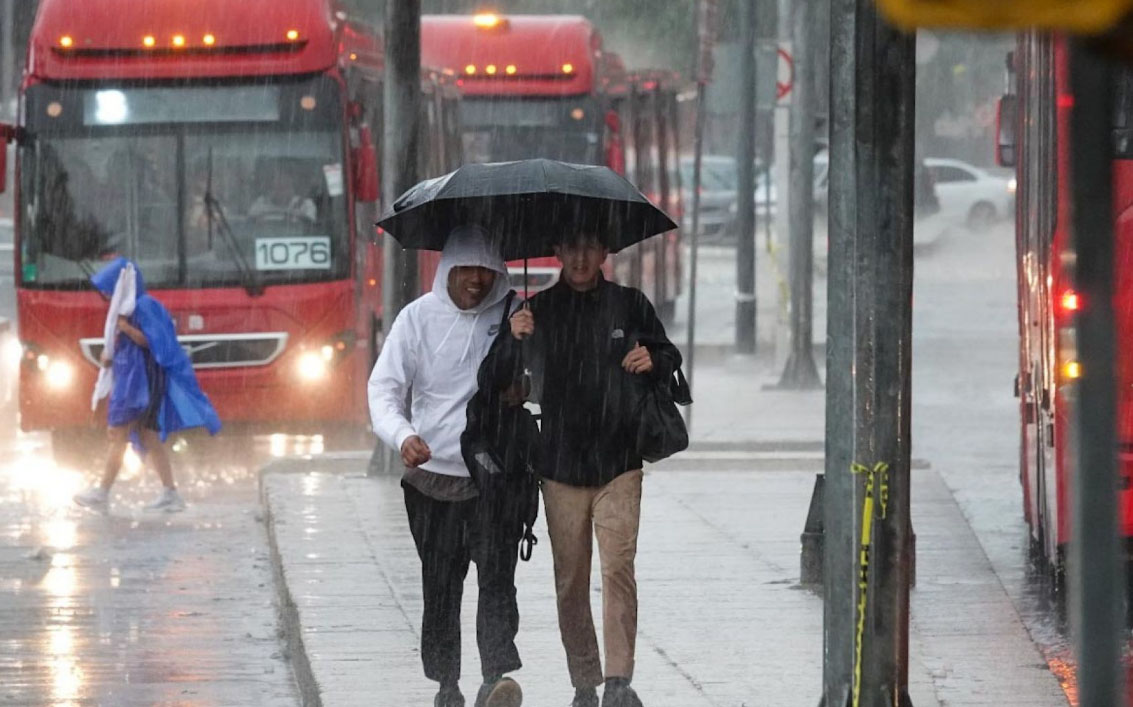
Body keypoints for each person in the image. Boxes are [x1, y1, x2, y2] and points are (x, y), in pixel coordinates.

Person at [482, 230, 680, 707]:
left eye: (591, 247)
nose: (581, 257)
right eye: (571, 247)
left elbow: (670, 355)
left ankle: (618, 681)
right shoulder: (537, 311)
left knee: (618, 569)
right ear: (558, 251)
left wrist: (653, 357)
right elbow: (496, 379)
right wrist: (514, 338)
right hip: (560, 466)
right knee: (570, 578)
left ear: (605, 253)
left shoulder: (630, 303)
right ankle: (585, 680)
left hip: (620, 462)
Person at [368, 225, 525, 707]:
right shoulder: (416, 320)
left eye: (486, 269)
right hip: (431, 481)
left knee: (496, 580)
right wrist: (403, 436)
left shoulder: (514, 316)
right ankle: (447, 684)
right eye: (466, 269)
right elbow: (384, 390)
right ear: (447, 270)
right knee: (440, 586)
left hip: (494, 478)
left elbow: (541, 380)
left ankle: (494, 676)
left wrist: (525, 373)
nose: (476, 279)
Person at [74, 257, 221, 513]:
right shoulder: (128, 310)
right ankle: (169, 492)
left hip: (142, 383)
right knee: (147, 435)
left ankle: (103, 491)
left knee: (118, 433)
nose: (107, 296)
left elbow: (153, 343)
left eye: (110, 289)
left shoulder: (143, 306)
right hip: (133, 381)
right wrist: (110, 359)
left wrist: (124, 328)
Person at [248, 169, 316, 222]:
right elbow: (250, 221)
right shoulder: (260, 203)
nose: (281, 191)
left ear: (292, 188)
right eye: (277, 187)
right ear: (271, 188)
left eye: (285, 186)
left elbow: (311, 226)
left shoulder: (305, 204)